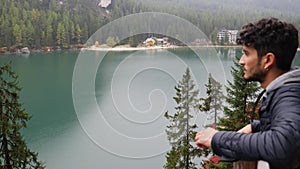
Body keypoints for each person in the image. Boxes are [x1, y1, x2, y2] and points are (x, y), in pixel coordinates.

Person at [195, 17, 300, 169]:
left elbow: (285, 145)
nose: (241, 61)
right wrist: (256, 127)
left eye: (246, 53)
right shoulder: (287, 89)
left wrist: (216, 138)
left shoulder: (289, 96)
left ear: (268, 60)